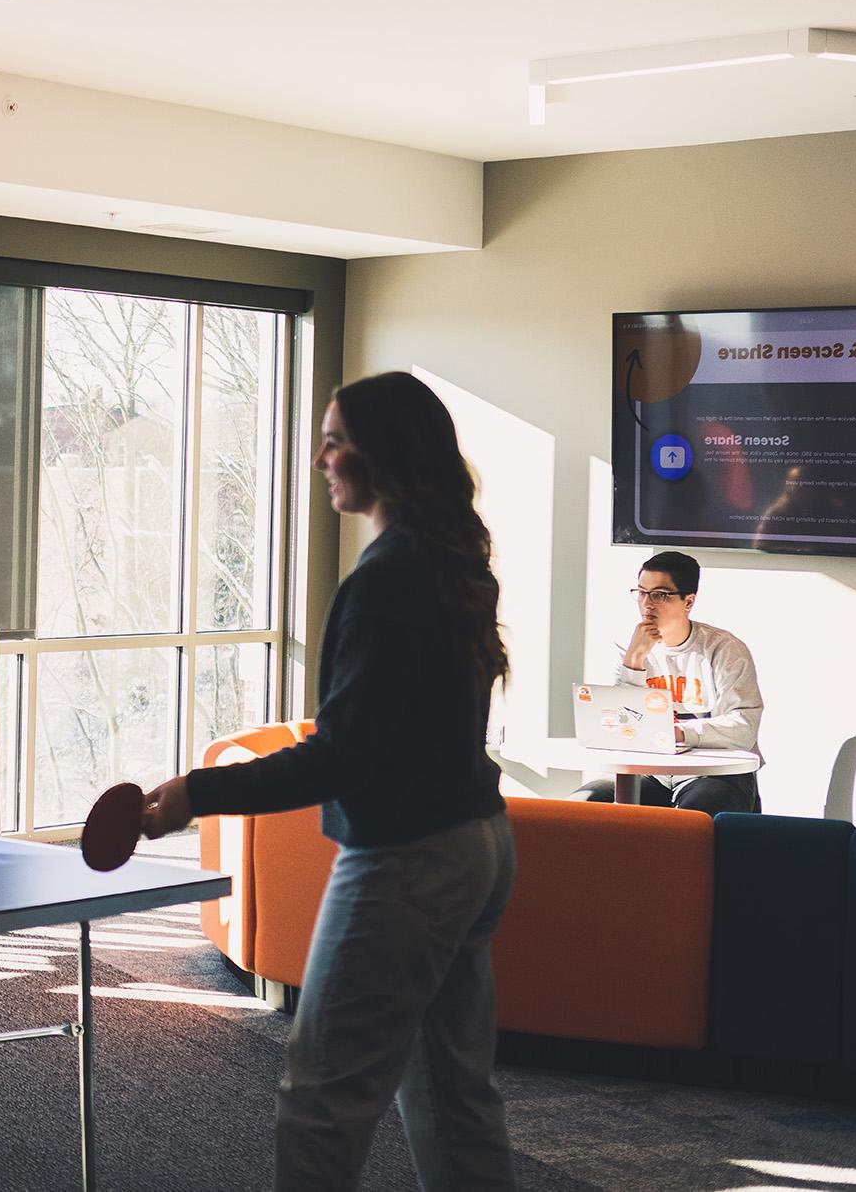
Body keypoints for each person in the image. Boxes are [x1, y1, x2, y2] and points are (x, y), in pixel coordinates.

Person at [142, 372, 517, 1191]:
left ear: (383, 455)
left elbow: (343, 755)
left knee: (321, 1102)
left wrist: (196, 792)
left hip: (408, 860)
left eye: (336, 439)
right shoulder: (449, 559)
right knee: (455, 1099)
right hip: (479, 842)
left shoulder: (388, 578)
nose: (321, 456)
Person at [573, 550, 763, 815]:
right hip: (648, 771)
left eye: (660, 594)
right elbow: (613, 726)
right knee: (582, 805)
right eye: (641, 592)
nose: (647, 604)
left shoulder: (723, 649)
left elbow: (744, 727)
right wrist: (634, 661)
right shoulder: (625, 647)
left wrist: (680, 733)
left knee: (694, 815)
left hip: (713, 771)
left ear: (689, 601)